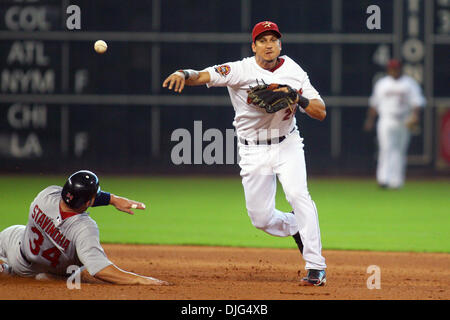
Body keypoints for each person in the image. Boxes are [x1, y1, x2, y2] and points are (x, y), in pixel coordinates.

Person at [162, 21, 327, 286]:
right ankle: (296, 226)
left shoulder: (294, 70)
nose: (269, 44)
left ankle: (316, 266)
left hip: (288, 144)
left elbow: (320, 111)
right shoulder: (240, 70)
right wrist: (183, 72)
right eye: (262, 40)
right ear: (254, 46)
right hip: (253, 150)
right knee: (261, 218)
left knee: (298, 195)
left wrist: (298, 98)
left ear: (280, 45)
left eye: (273, 39)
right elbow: (203, 75)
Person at [0, 170, 168, 286]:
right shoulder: (84, 229)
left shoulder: (46, 195)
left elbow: (73, 196)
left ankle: (6, 267)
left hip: (14, 242)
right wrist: (142, 280)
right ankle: (11, 271)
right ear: (88, 203)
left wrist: (113, 199)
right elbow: (100, 269)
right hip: (33, 271)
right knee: (79, 270)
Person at [364, 59, 426, 189]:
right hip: (386, 119)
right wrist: (370, 120)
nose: (394, 70)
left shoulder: (409, 83)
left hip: (404, 120)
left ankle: (396, 181)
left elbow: (417, 102)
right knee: (385, 148)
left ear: (400, 69)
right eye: (392, 68)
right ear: (388, 69)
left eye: (396, 68)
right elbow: (374, 103)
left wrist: (415, 116)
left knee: (399, 151)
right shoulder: (382, 84)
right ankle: (383, 179)